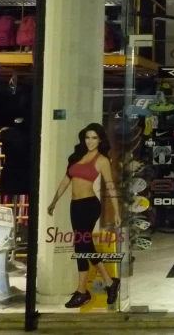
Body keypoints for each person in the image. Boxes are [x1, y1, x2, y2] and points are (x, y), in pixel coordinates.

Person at [47, 123, 121, 308]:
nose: (90, 141)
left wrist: (117, 211)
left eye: (94, 138)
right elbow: (66, 180)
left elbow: (109, 185)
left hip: (89, 205)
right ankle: (110, 282)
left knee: (80, 246)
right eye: (87, 137)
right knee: (85, 245)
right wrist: (54, 201)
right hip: (75, 206)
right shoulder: (76, 156)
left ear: (100, 140)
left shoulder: (102, 159)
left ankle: (82, 291)